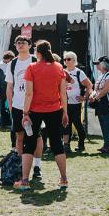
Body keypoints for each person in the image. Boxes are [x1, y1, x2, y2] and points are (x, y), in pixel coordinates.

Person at [16, 40, 70, 190]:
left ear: (38, 53)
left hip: (35, 111)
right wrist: (65, 112)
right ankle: (64, 178)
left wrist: (25, 113)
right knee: (57, 144)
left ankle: (25, 180)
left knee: (29, 144)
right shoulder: (59, 67)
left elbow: (28, 93)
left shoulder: (32, 67)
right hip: (55, 110)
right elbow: (63, 94)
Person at [3, 36, 43, 181]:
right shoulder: (12, 63)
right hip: (17, 105)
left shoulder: (35, 61)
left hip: (34, 106)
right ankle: (20, 167)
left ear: (29, 45)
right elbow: (9, 87)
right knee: (19, 136)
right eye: (18, 43)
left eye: (23, 43)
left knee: (36, 136)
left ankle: (37, 166)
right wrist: (10, 105)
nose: (20, 45)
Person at [62, 51, 92, 152]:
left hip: (76, 103)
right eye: (65, 59)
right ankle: (66, 145)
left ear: (74, 60)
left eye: (68, 59)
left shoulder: (79, 72)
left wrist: (84, 97)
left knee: (77, 123)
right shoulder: (62, 71)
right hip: (65, 103)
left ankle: (81, 143)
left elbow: (89, 85)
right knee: (66, 124)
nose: (66, 61)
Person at [88, 57, 109, 154]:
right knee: (102, 124)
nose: (96, 65)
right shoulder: (100, 76)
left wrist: (95, 97)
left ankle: (107, 145)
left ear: (104, 64)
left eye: (98, 63)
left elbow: (105, 90)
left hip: (106, 102)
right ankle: (105, 145)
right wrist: (92, 95)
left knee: (106, 124)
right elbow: (95, 89)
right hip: (100, 102)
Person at [0, 49, 15, 130]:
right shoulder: (1, 66)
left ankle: (7, 122)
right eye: (10, 60)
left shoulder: (5, 65)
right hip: (3, 90)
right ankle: (4, 123)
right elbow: (2, 80)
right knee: (4, 107)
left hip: (7, 89)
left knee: (7, 106)